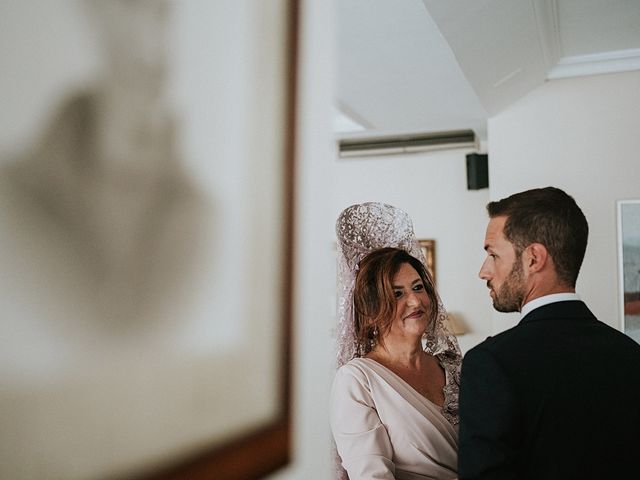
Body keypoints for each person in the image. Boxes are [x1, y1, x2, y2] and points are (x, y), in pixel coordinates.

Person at [458, 186, 640, 479]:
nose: (484, 271)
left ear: (533, 258)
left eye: (493, 254)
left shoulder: (491, 363)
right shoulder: (631, 355)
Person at [331, 202, 461, 480]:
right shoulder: (357, 381)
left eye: (418, 287)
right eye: (397, 293)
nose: (415, 301)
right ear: (371, 309)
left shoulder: (453, 366)